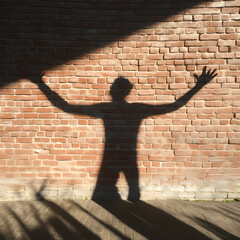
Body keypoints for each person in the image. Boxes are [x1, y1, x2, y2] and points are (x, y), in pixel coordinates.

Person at [22, 66, 217, 200]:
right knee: (131, 196)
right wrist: (198, 87)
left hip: (113, 156)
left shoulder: (108, 109)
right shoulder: (135, 109)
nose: (111, 89)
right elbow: (174, 106)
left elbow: (65, 106)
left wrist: (40, 83)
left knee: (116, 197)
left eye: (113, 87)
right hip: (125, 155)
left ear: (116, 91)